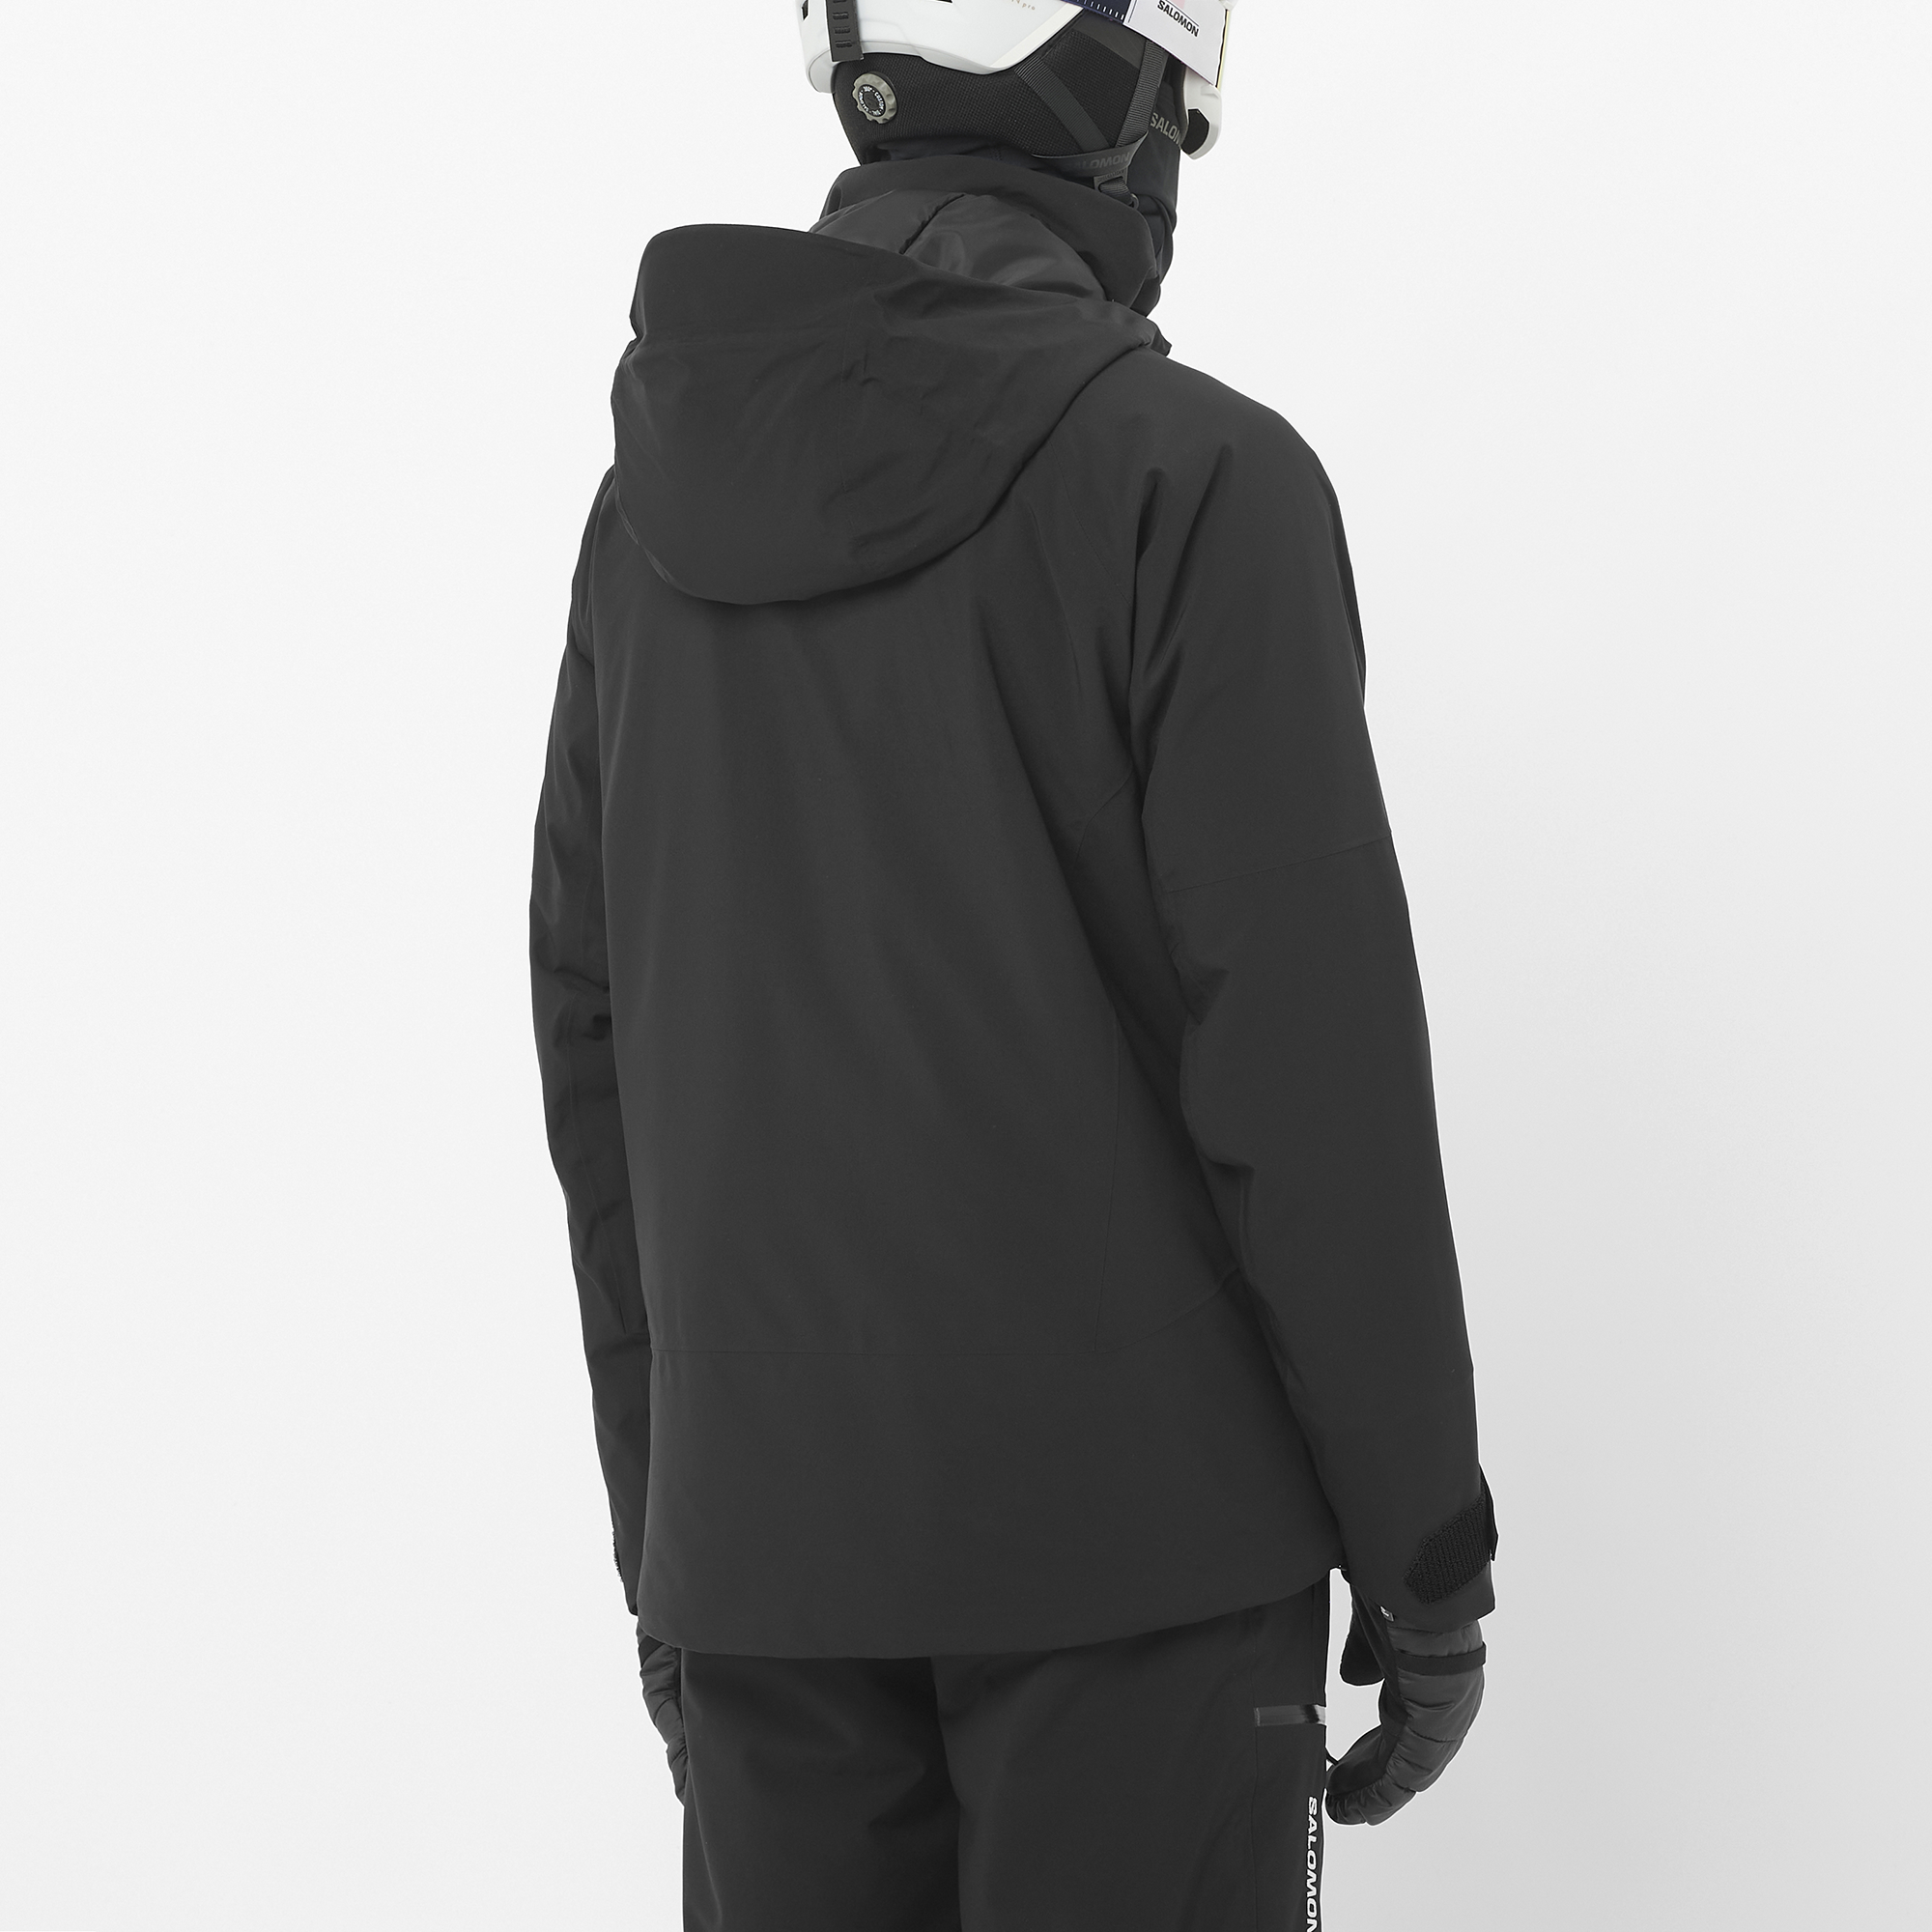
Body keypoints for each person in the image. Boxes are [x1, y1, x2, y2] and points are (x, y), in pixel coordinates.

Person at [530, 4, 1494, 1924]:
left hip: (768, 1572)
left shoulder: (647, 521)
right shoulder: (1195, 483)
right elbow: (1308, 1080)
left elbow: (600, 1047)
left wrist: (672, 1543)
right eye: (1184, 123)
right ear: (1112, 103)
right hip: (1146, 1585)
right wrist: (1425, 1569)